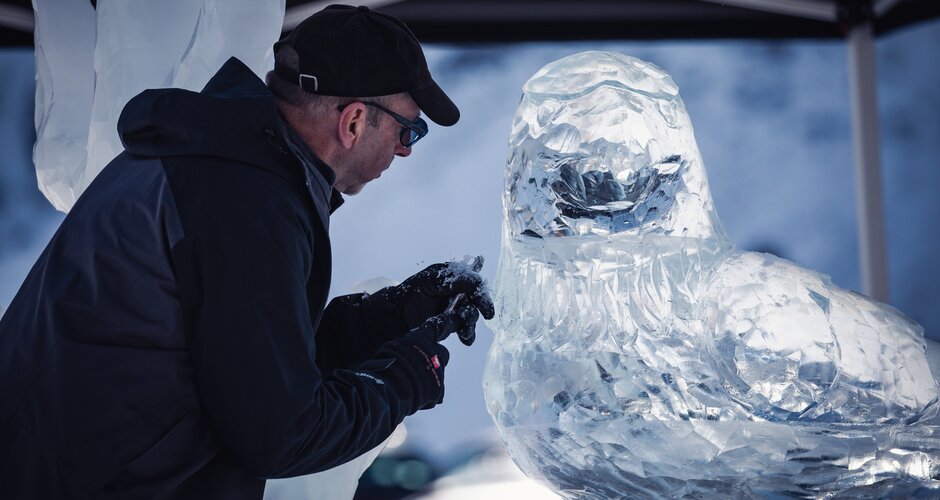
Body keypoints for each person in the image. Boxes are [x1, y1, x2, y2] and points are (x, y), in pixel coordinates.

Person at [0, 4, 494, 499]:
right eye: (409, 131)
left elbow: (241, 361)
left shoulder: (216, 163)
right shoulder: (245, 199)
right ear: (355, 121)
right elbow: (280, 431)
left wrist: (391, 316)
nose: (406, 150)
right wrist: (406, 380)